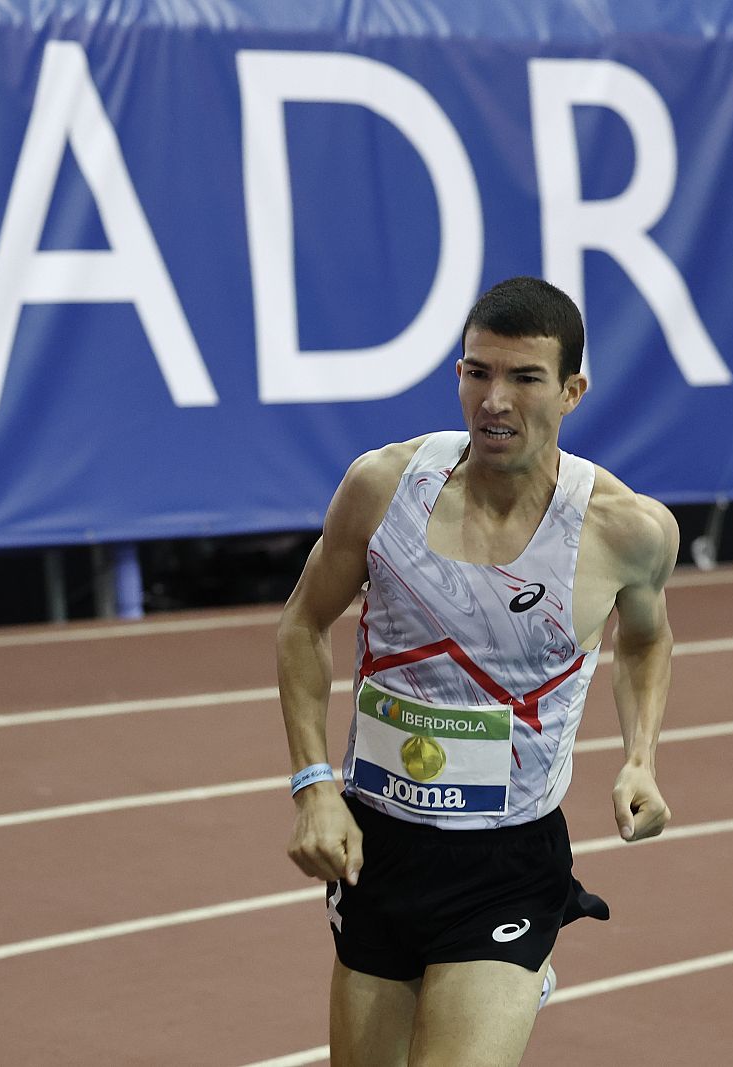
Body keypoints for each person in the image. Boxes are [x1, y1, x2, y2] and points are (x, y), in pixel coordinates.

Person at [275, 275, 678, 1066]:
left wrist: (640, 758)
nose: (495, 399)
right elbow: (300, 626)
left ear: (571, 391)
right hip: (379, 845)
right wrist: (314, 787)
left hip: (507, 860)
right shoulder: (383, 487)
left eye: (524, 378)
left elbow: (645, 640)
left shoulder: (625, 530)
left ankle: (520, 967)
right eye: (477, 371)